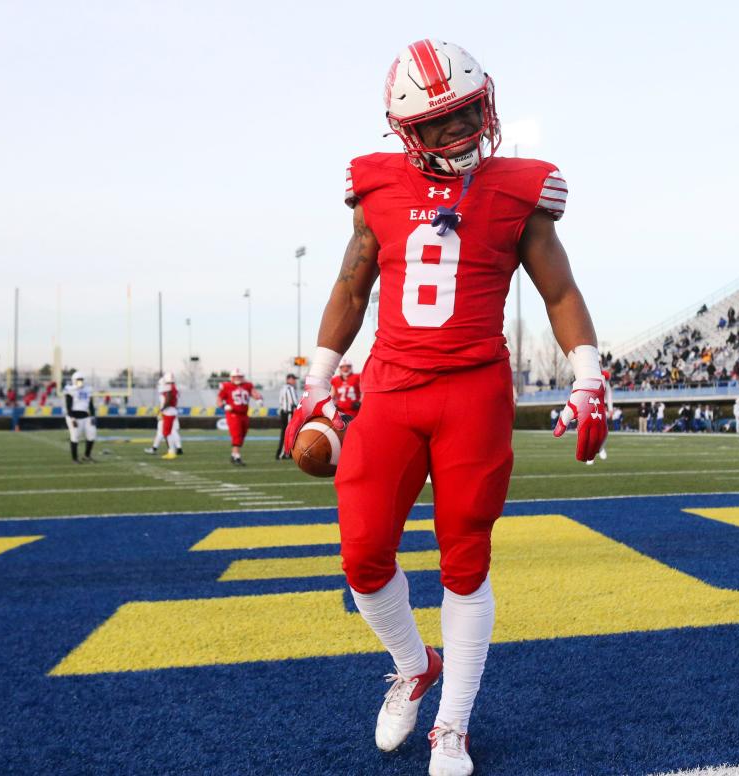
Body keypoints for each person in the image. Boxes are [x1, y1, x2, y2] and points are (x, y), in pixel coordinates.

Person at [283, 38, 607, 776]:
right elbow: (350, 286)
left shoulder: (521, 188)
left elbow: (559, 291)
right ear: (405, 130)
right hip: (391, 388)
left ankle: (452, 726)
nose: (459, 132)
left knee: (466, 561)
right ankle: (412, 663)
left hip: (474, 392)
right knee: (364, 556)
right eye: (438, 123)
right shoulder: (375, 186)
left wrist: (588, 375)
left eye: (466, 113)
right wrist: (315, 384)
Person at [217, 367, 263, 465]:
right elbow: (219, 400)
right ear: (231, 377)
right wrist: (224, 406)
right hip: (233, 414)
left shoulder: (248, 385)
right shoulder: (226, 386)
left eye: (240, 376)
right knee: (237, 435)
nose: (238, 378)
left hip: (244, 414)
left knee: (242, 435)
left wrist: (259, 399)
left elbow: (255, 393)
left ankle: (234, 455)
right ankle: (237, 456)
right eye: (235, 376)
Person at [145, 373, 183, 459]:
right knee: (168, 432)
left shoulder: (169, 389)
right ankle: (172, 450)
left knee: (167, 432)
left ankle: (171, 451)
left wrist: (162, 410)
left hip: (168, 411)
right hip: (171, 411)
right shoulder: (172, 388)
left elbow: (168, 400)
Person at [64, 371, 96, 463]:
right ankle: (74, 458)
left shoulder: (87, 389)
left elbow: (90, 404)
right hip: (74, 416)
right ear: (74, 380)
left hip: (86, 416)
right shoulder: (70, 389)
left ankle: (87, 455)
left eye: (81, 380)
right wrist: (72, 418)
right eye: (78, 380)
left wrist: (92, 416)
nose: (80, 382)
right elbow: (68, 405)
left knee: (92, 434)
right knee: (75, 436)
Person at [275, 373, 299, 460]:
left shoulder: (283, 388)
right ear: (288, 379)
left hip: (283, 412)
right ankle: (283, 453)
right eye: (293, 379)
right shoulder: (290, 388)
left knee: (286, 432)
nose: (295, 381)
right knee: (288, 433)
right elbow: (294, 403)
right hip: (288, 413)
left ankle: (286, 453)